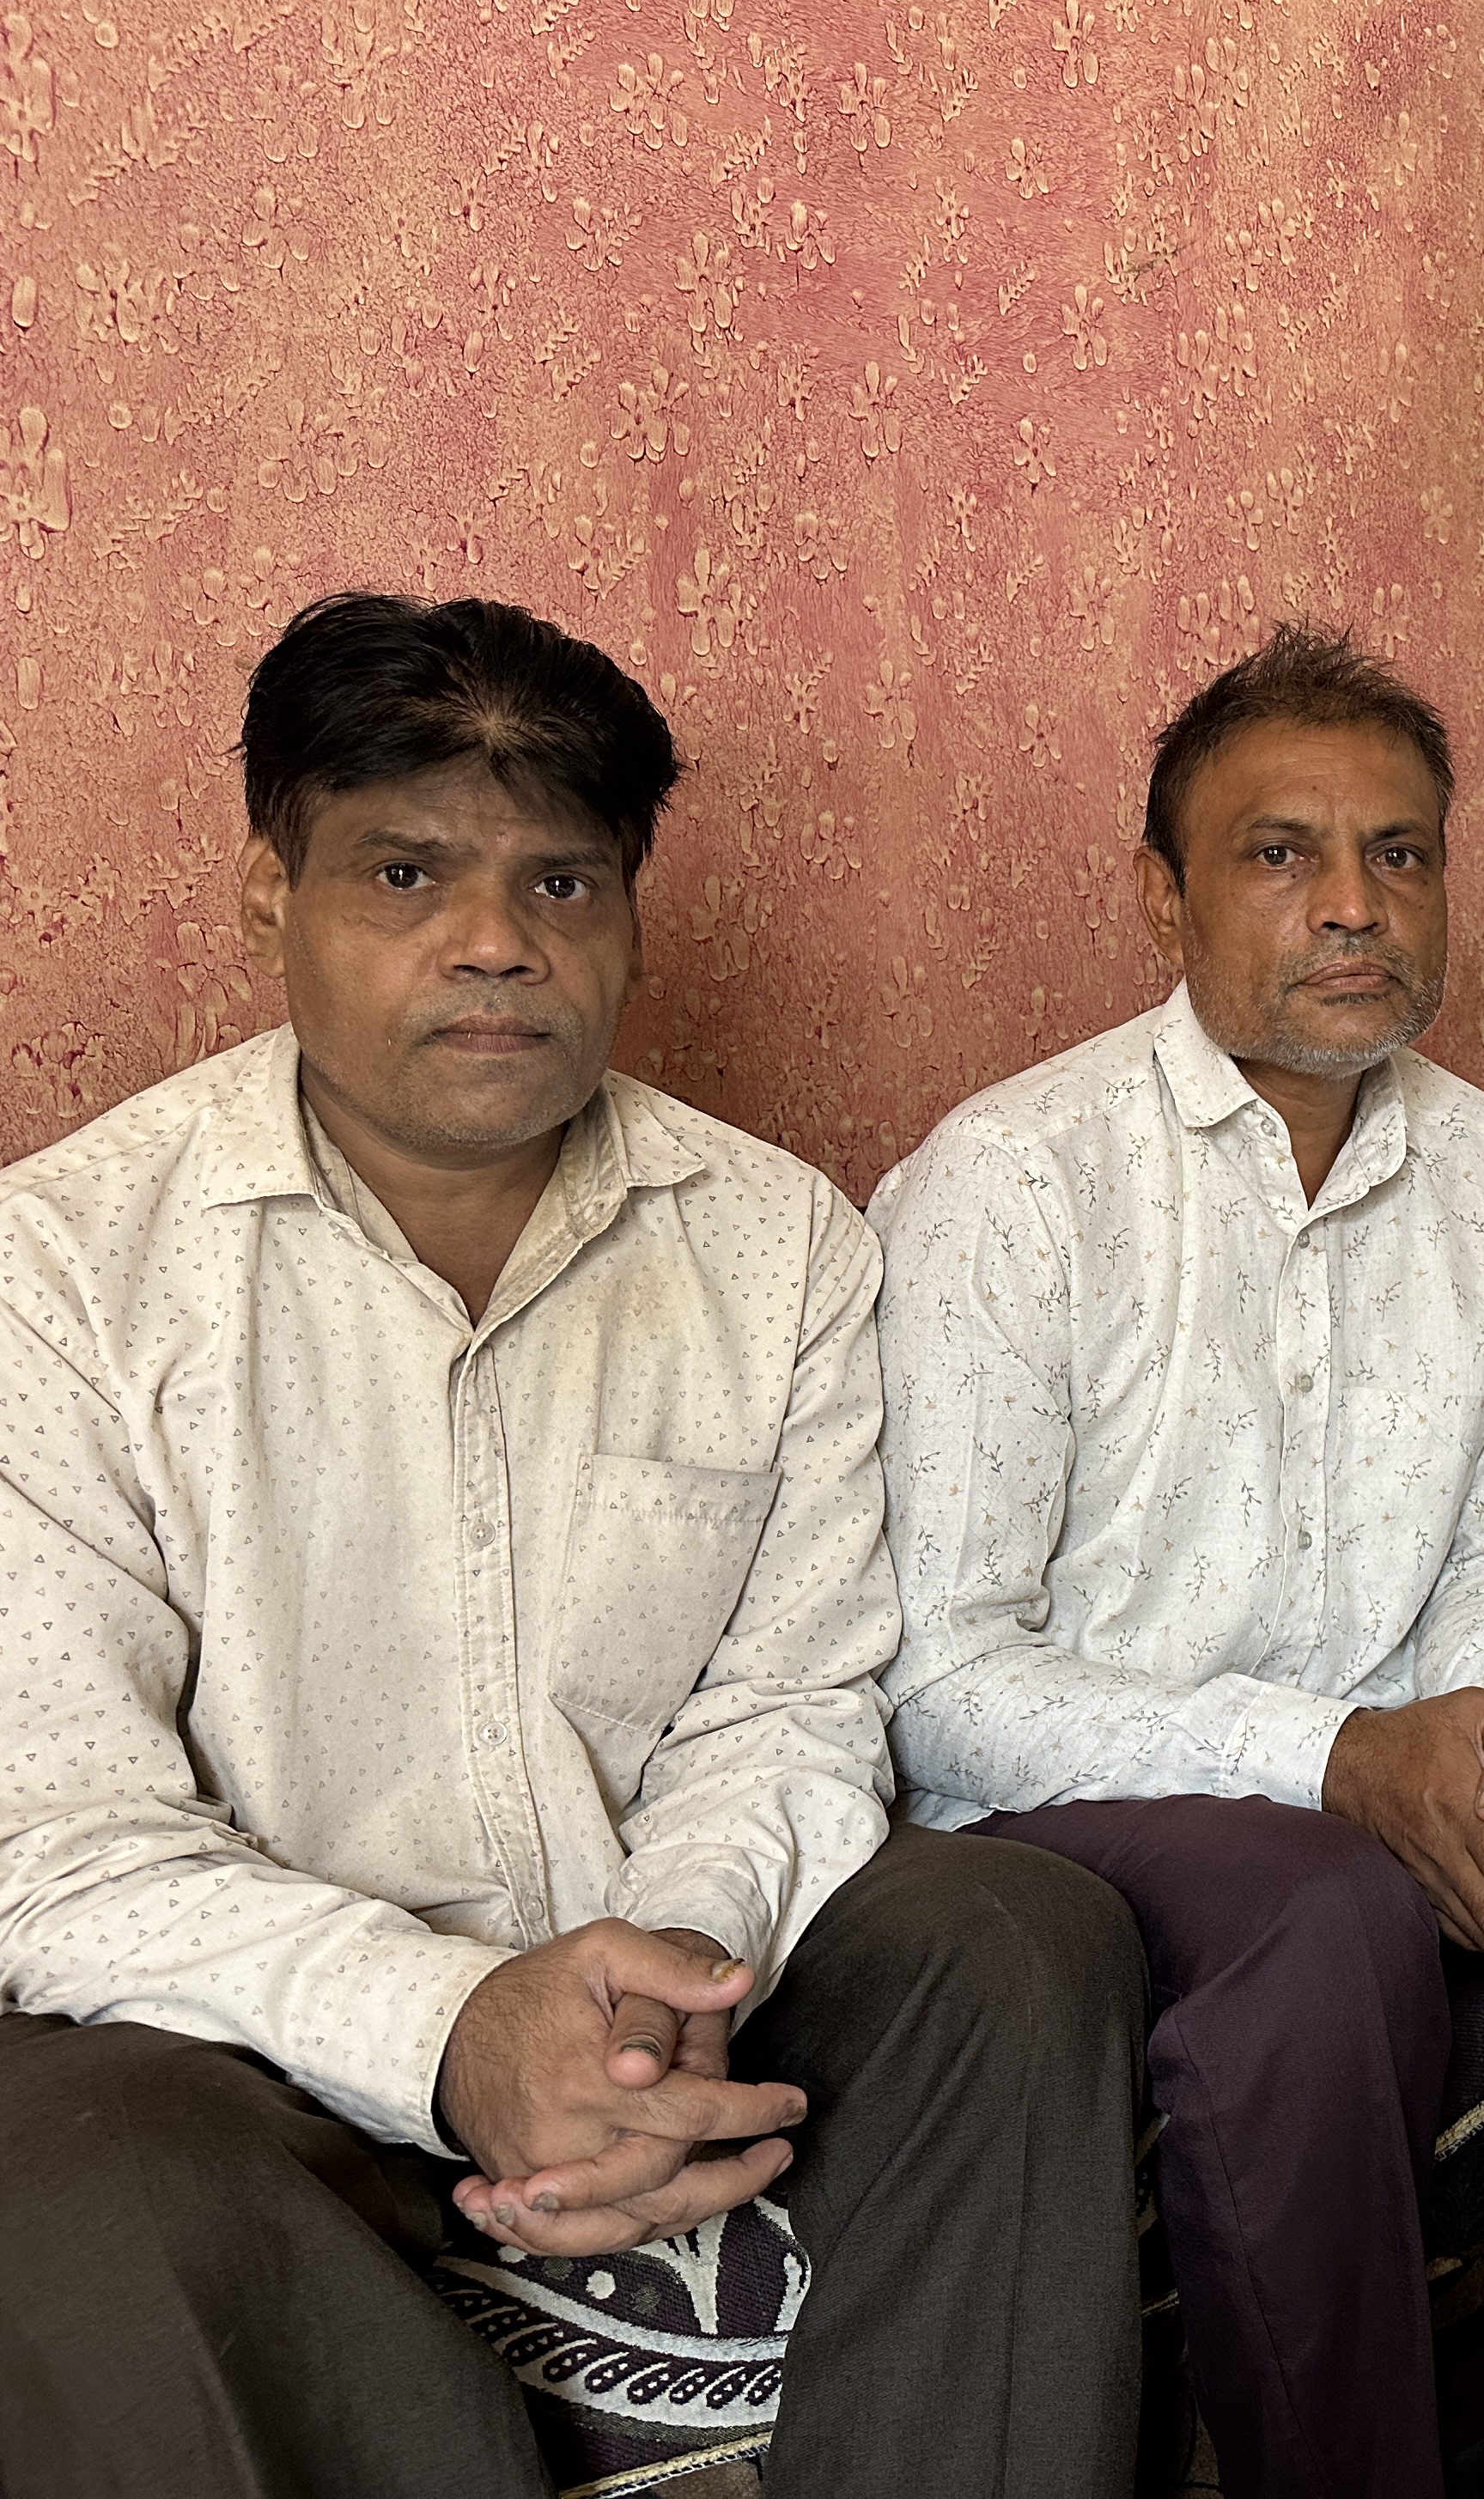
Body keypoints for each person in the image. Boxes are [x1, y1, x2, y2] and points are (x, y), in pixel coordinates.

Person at [0, 593, 1149, 2497]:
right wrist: (453, 2030)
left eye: (562, 882)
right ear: (264, 893)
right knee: (76, 2169)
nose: (492, 945)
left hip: (669, 1960)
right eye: (403, 870)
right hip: (252, 2029)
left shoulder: (781, 1249)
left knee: (1022, 1936)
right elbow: (60, 1838)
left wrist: (677, 1965)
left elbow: (790, 1702)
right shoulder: (61, 1277)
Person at [868, 619, 1484, 2499]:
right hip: (1074, 1806)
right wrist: (1344, 1770)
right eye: (1278, 854)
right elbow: (941, 1685)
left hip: (1380, 1744)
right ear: (1161, 897)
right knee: (1329, 1898)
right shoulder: (1017, 1182)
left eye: (1400, 855)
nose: (1351, 908)